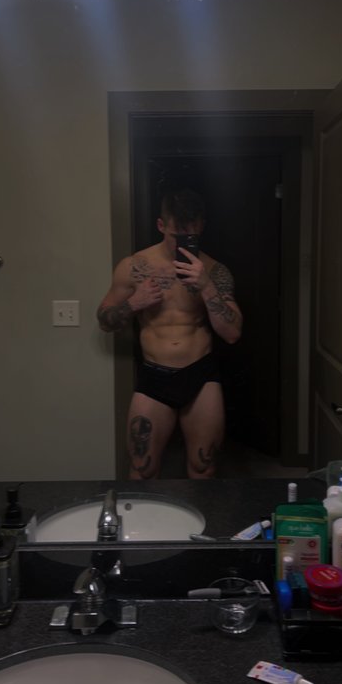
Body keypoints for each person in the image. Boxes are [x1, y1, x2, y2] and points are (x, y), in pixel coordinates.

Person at [97, 188, 243, 479]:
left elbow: (232, 333)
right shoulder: (134, 267)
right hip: (154, 376)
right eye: (177, 236)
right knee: (142, 469)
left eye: (191, 236)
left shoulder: (214, 271)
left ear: (201, 226)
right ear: (161, 225)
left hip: (201, 376)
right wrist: (134, 303)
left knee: (203, 468)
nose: (183, 244)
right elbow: (104, 320)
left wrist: (206, 286)